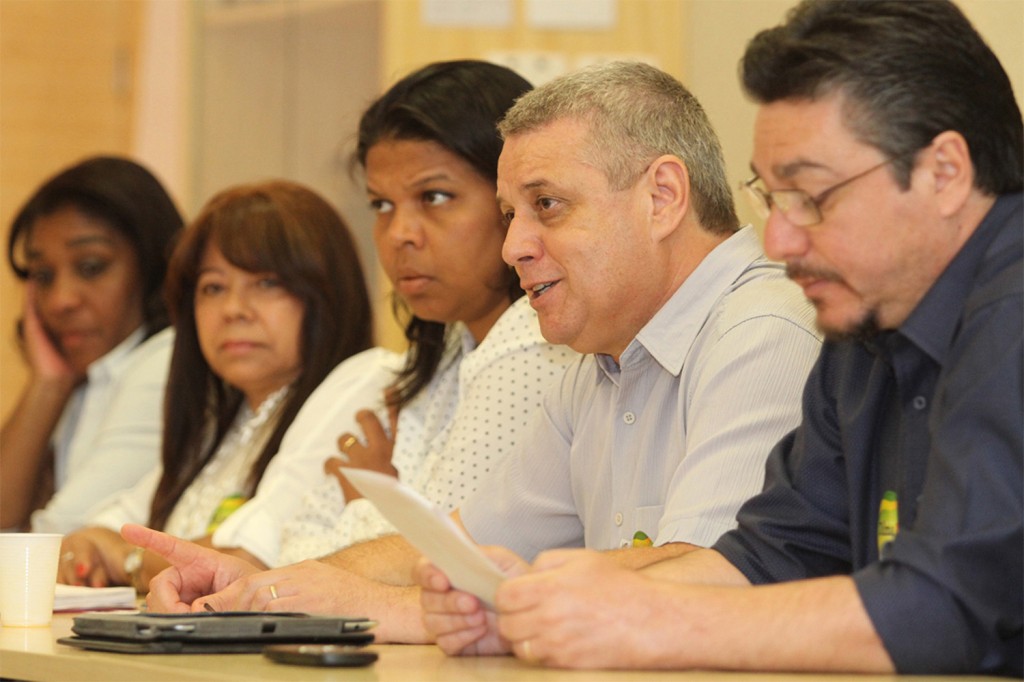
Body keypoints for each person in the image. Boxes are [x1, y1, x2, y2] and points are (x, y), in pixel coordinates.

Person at [415, 0, 1023, 675]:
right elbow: (771, 556)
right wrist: (535, 608)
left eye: (812, 197)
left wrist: (645, 616)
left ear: (944, 172)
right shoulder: (863, 330)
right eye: (773, 197)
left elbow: (952, 606)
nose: (782, 240)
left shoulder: (1012, 313)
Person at [123, 60, 822, 644]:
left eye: (546, 206)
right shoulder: (597, 361)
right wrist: (262, 588)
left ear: (662, 196)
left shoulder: (764, 327)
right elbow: (449, 547)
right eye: (511, 212)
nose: (514, 244)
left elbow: (706, 577)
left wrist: (394, 610)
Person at [273, 60, 578, 567]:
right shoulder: (444, 352)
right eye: (381, 205)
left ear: (511, 198)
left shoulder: (533, 345)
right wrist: (381, 515)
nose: (399, 235)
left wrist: (367, 503)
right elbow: (296, 545)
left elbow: (432, 565)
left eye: (434, 197)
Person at [58, 180, 374, 589]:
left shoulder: (360, 381)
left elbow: (251, 555)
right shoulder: (226, 421)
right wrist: (96, 544)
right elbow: (107, 527)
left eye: (266, 283)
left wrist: (129, 562)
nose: (233, 310)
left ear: (327, 293)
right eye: (213, 287)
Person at [1, 156, 183, 533]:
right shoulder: (89, 374)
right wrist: (47, 385)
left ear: (152, 266)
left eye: (91, 267)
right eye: (43, 275)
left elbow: (57, 538)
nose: (59, 301)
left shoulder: (165, 360)